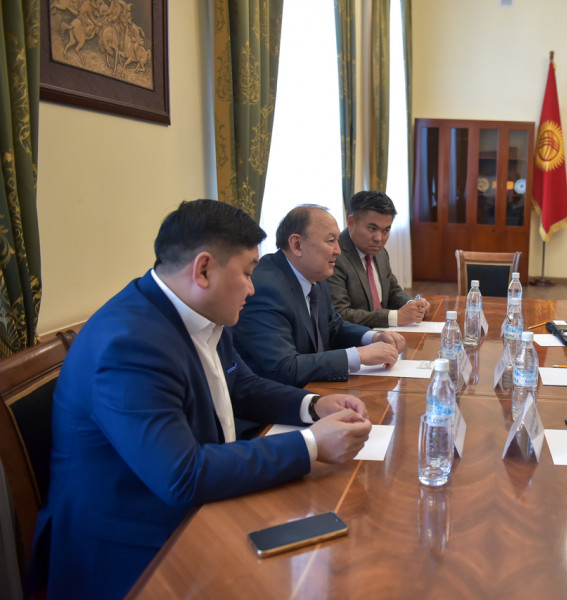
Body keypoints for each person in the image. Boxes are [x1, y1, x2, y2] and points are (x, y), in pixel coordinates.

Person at [29, 200, 372, 599]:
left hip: (195, 503)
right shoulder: (128, 344)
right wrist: (312, 444)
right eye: (247, 273)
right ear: (204, 269)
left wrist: (312, 405)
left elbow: (241, 385)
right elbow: (182, 475)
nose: (252, 288)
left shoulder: (196, 309)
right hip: (132, 546)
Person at [232, 204, 407, 387]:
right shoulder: (265, 289)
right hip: (277, 397)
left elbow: (332, 324)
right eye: (331, 241)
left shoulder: (315, 274)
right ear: (297, 245)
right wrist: (358, 355)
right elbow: (284, 367)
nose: (338, 251)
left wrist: (372, 337)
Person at [326, 190, 430, 327]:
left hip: (386, 334)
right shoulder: (334, 256)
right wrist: (394, 317)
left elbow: (392, 290)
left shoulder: (380, 253)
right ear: (351, 223)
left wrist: (413, 305)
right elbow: (340, 314)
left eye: (386, 230)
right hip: (357, 337)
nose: (379, 238)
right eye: (372, 228)